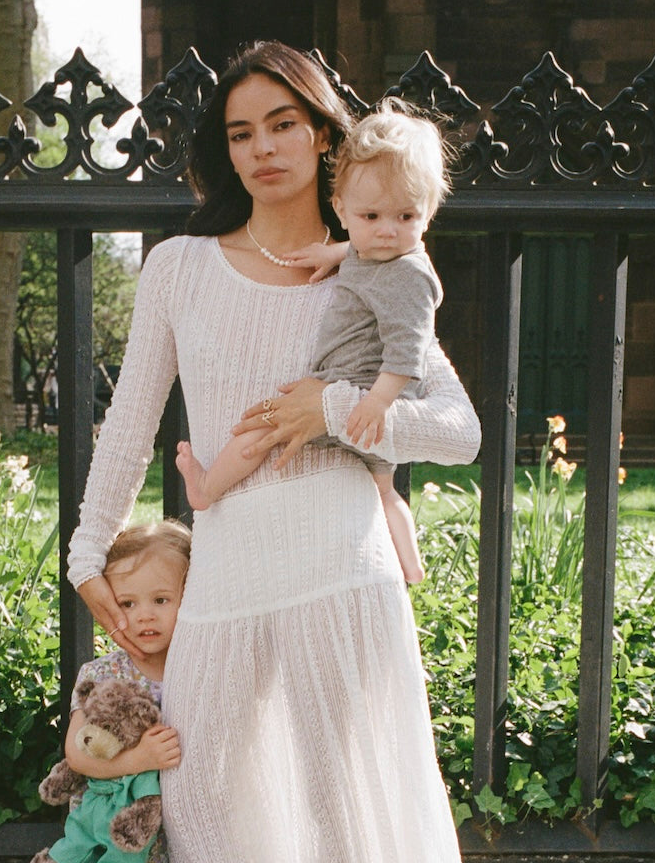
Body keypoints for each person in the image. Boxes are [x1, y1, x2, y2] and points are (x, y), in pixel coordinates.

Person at [68, 41, 482, 863]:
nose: (262, 148)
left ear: (325, 134)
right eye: (242, 130)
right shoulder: (177, 267)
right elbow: (128, 421)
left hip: (339, 569)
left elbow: (459, 428)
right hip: (231, 572)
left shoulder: (379, 263)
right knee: (205, 804)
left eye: (283, 124)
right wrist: (84, 549)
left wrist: (334, 413)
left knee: (339, 817)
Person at [176, 100, 450, 584]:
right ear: (344, 210)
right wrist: (337, 251)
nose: (387, 230)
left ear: (428, 213)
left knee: (259, 430)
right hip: (357, 398)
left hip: (355, 392)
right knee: (384, 490)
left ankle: (203, 488)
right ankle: (412, 568)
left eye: (406, 216)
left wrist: (372, 404)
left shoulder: (410, 276)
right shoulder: (376, 248)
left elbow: (409, 351)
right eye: (371, 216)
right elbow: (364, 247)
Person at [52, 521, 191, 863]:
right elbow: (78, 755)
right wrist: (137, 761)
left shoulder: (197, 665)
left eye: (162, 599)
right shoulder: (103, 674)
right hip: (123, 842)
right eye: (128, 602)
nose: (145, 616)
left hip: (181, 835)